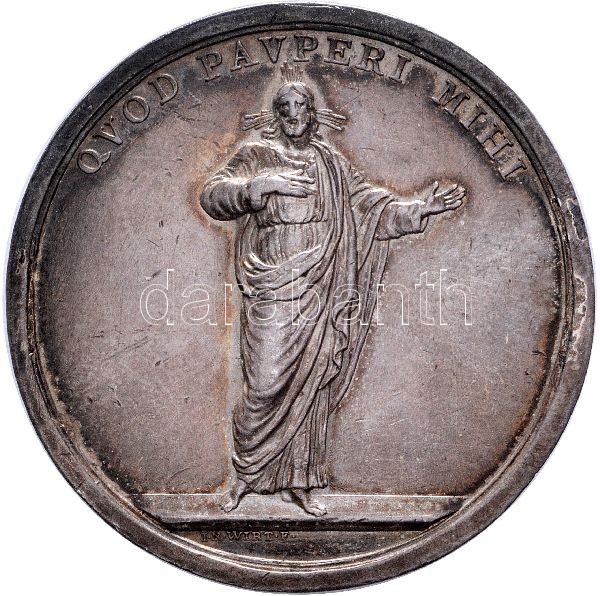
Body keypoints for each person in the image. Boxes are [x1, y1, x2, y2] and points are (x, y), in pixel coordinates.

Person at [199, 65, 465, 516]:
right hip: (272, 284)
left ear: (312, 113)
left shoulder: (330, 162)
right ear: (276, 115)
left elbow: (370, 206)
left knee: (313, 383)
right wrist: (260, 185)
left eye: (301, 107)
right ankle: (244, 476)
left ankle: (300, 483)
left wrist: (421, 209)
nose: (293, 115)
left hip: (322, 287)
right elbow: (212, 195)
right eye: (285, 108)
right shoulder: (256, 155)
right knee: (263, 384)